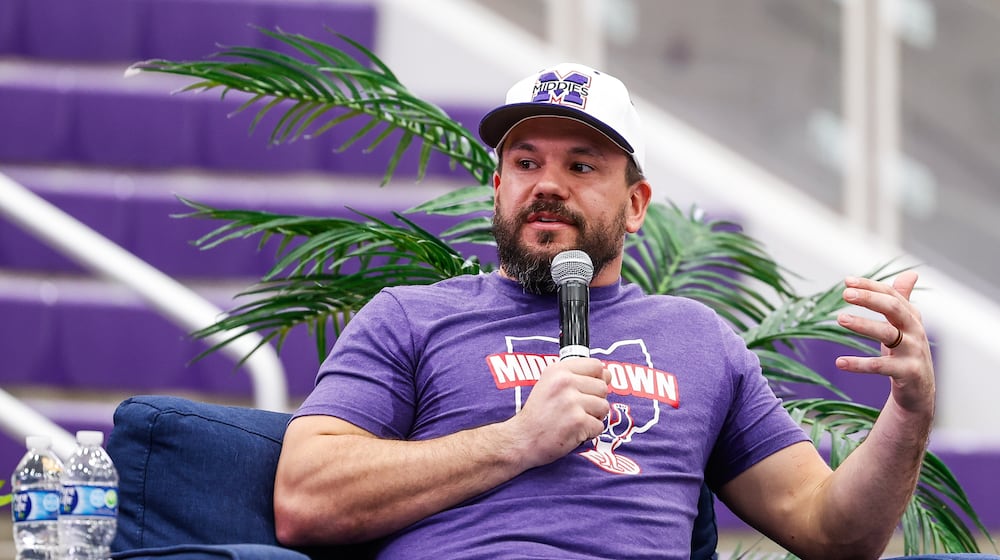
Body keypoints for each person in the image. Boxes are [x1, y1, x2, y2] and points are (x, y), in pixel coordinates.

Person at [273, 62, 935, 559]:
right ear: (499, 189)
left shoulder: (698, 340)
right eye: (526, 162)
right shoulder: (410, 318)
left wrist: (909, 414)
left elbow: (832, 531)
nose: (548, 185)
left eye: (582, 166)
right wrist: (516, 443)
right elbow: (305, 498)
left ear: (637, 204)